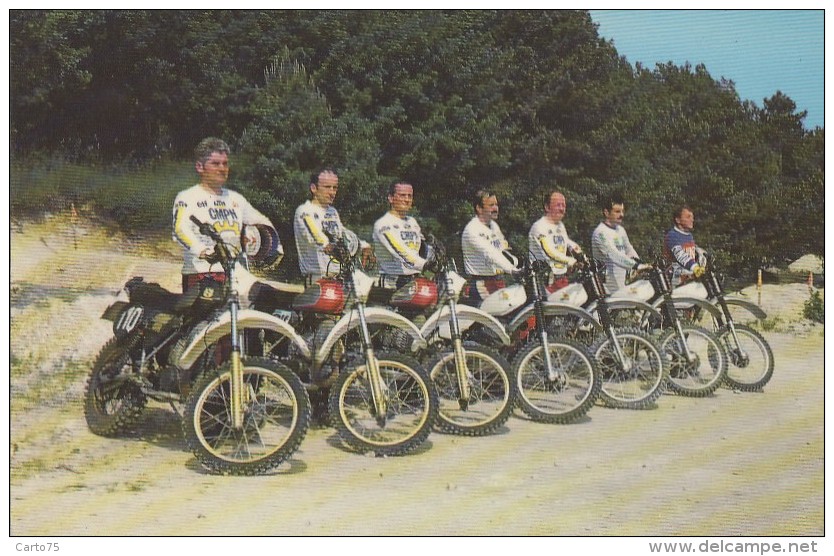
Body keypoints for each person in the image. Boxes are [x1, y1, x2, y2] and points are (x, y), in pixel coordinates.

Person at [172, 137, 280, 293]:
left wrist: (275, 247)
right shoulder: (187, 197)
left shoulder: (236, 198)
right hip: (203, 273)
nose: (222, 169)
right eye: (216, 164)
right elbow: (180, 229)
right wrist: (202, 250)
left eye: (225, 164)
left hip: (237, 273)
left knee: (268, 298)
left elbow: (261, 221)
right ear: (200, 167)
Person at [293, 168, 372, 285]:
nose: (332, 192)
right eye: (327, 187)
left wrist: (363, 245)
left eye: (335, 188)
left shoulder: (332, 212)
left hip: (340, 278)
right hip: (318, 280)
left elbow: (342, 234)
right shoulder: (304, 211)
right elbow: (316, 235)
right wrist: (328, 246)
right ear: (314, 188)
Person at [373, 181, 436, 289]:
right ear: (391, 198)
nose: (407, 200)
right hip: (392, 282)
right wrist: (425, 265)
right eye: (402, 195)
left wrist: (434, 255)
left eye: (409, 196)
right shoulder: (383, 224)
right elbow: (401, 251)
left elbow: (421, 249)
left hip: (414, 279)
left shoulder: (412, 222)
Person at [461, 190, 520, 302]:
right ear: (479, 208)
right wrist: (512, 270)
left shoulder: (493, 226)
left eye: (496, 204)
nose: (496, 208)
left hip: (497, 282)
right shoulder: (472, 229)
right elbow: (490, 253)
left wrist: (519, 264)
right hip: (481, 285)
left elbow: (504, 250)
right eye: (491, 205)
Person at [590, 194, 648, 295]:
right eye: (617, 211)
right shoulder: (600, 232)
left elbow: (629, 249)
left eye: (622, 211)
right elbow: (613, 254)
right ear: (606, 212)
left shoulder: (620, 230)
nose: (621, 215)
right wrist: (635, 265)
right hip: (606, 288)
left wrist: (640, 263)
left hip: (621, 285)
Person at [528, 190, 582, 293]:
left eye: (564, 205)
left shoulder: (560, 226)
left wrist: (582, 255)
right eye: (558, 205)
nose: (562, 209)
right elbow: (549, 252)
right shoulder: (539, 226)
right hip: (544, 283)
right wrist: (572, 261)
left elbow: (567, 243)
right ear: (547, 207)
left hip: (561, 280)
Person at [664, 204, 706, 286]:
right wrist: (695, 268)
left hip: (688, 278)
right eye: (688, 217)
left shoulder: (689, 236)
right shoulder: (672, 235)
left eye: (692, 217)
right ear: (678, 220)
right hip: (674, 280)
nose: (692, 220)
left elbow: (694, 253)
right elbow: (681, 255)